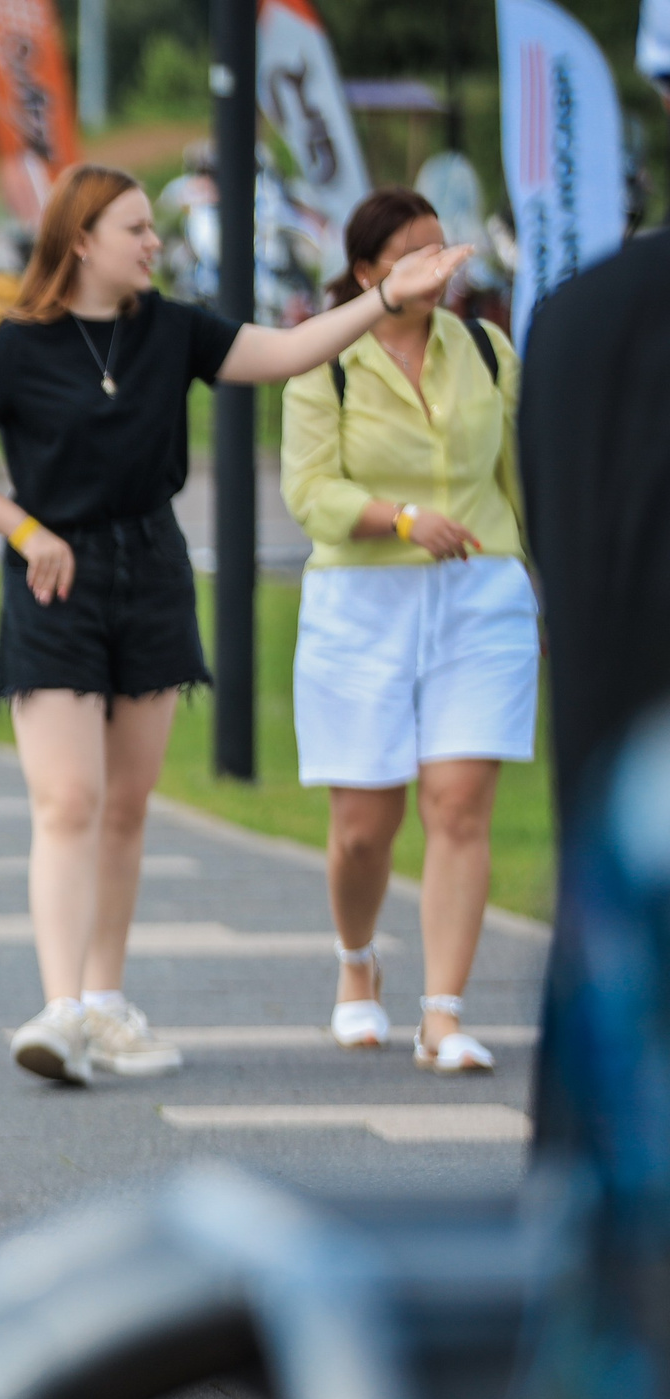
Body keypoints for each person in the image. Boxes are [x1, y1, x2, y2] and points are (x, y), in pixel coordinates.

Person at [0, 162, 472, 1086]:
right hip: (56, 579)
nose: (155, 243)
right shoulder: (19, 344)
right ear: (81, 240)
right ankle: (62, 1010)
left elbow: (288, 354)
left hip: (154, 573)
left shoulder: (171, 330)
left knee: (125, 808)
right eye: (137, 228)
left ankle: (106, 1002)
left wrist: (382, 296)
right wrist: (22, 527)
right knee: (69, 802)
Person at [279, 187, 535, 1075]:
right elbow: (308, 492)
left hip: (481, 593)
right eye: (415, 257)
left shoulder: (487, 348)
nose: (441, 270)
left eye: (446, 252)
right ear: (365, 273)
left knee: (459, 805)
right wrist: (398, 517)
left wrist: (558, 584)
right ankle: (358, 966)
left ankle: (443, 1012)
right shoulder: (330, 358)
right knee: (363, 825)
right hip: (362, 601)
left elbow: (520, 482)